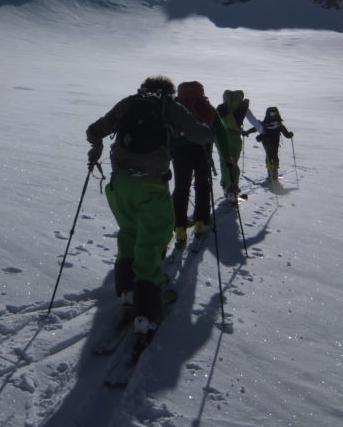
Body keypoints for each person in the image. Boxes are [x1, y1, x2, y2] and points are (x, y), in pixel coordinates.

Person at [86, 75, 213, 343]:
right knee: (152, 240)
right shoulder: (170, 106)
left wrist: (96, 147)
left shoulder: (129, 103)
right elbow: (198, 134)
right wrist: (207, 129)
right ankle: (145, 313)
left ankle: (127, 293)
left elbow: (94, 130)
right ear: (168, 91)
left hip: (120, 185)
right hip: (151, 185)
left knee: (128, 233)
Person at [171, 81, 231, 246]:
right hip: (202, 149)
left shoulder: (175, 107)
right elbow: (221, 132)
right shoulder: (207, 107)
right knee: (203, 185)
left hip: (179, 150)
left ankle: (180, 227)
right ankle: (201, 222)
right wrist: (226, 156)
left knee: (181, 187)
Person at [215, 89, 259, 200]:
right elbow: (256, 124)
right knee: (232, 162)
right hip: (234, 137)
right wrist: (263, 132)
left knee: (223, 161)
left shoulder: (221, 107)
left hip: (219, 137)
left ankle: (225, 185)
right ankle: (232, 188)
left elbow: (213, 121)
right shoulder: (243, 108)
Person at [245, 105, 293, 182]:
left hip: (272, 142)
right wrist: (247, 132)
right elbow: (255, 128)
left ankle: (273, 171)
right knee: (271, 155)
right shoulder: (271, 124)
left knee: (272, 155)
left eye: (274, 113)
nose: (273, 115)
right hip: (267, 142)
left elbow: (286, 134)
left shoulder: (278, 125)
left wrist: (289, 135)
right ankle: (272, 172)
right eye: (271, 113)